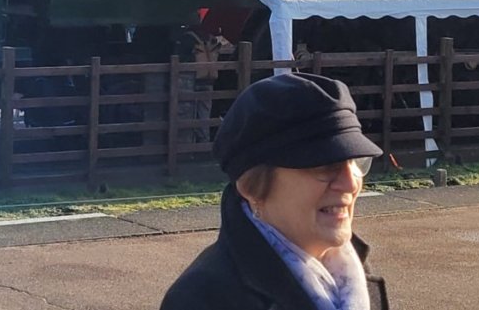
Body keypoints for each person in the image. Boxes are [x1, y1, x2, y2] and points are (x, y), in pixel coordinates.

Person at [160, 72, 389, 310]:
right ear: (252, 187)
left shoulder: (352, 272)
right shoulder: (203, 298)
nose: (351, 184)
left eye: (355, 162)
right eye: (326, 166)